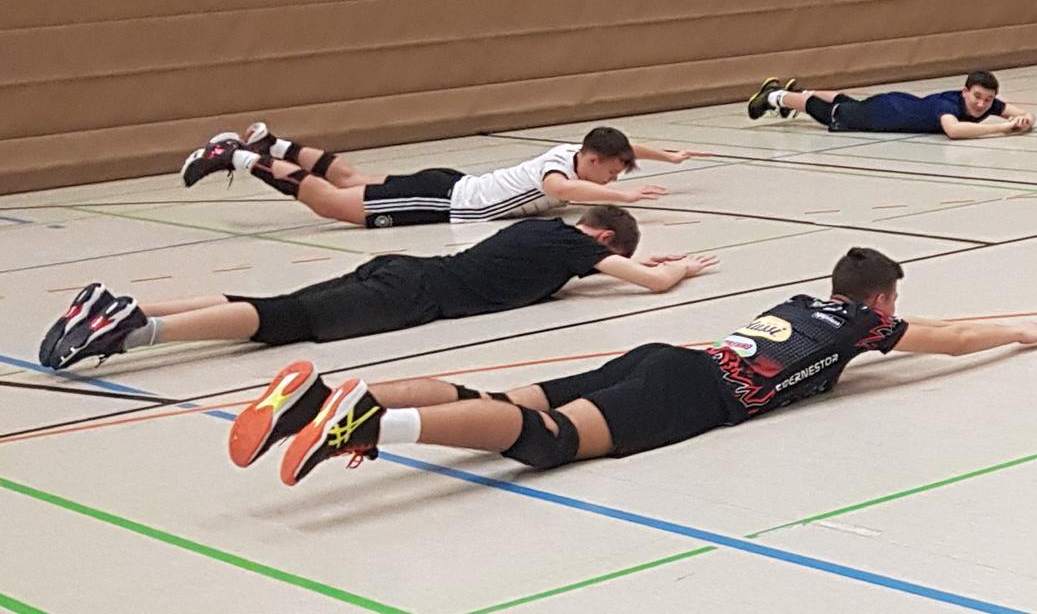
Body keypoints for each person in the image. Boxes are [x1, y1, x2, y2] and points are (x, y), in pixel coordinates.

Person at [252, 247, 1037, 485]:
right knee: (548, 441)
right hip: (693, 388)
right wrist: (1018, 331)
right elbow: (950, 340)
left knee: (492, 396)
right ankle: (372, 424)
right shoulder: (865, 324)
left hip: (669, 355)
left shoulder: (805, 302)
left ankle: (320, 399)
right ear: (880, 300)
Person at [35, 207, 715, 370]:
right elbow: (651, 285)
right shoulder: (577, 248)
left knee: (281, 307)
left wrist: (617, 264)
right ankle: (134, 332)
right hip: (414, 298)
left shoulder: (544, 234)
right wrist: (677, 268)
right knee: (279, 321)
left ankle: (123, 306)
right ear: (604, 239)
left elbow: (570, 277)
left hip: (402, 269)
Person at [178, 124, 698, 228]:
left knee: (351, 179)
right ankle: (238, 157)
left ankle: (273, 145)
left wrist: (668, 157)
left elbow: (628, 145)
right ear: (592, 159)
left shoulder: (578, 149)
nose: (612, 179)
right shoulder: (558, 169)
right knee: (334, 204)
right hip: (444, 201)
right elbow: (561, 190)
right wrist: (630, 196)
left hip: (448, 181)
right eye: (612, 172)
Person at [743, 71, 1035, 139]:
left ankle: (800, 92)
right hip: (882, 115)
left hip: (896, 103)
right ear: (965, 91)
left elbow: (1022, 113)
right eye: (977, 97)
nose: (982, 104)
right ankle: (775, 96)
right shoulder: (948, 104)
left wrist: (1024, 120)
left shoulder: (987, 104)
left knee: (845, 101)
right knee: (831, 112)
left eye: (987, 99)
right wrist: (1003, 128)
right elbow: (954, 130)